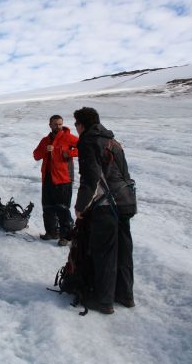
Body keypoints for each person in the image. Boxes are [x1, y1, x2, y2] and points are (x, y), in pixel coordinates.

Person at [73, 107, 136, 314]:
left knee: (104, 253)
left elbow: (90, 178)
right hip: (125, 202)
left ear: (82, 124)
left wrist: (80, 207)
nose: (76, 128)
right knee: (124, 250)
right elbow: (124, 173)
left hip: (106, 205)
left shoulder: (88, 141)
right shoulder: (112, 141)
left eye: (76, 124)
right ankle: (125, 295)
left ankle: (104, 300)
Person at [33, 115, 79, 246]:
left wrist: (67, 153)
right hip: (47, 179)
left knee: (63, 208)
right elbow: (36, 155)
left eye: (60, 124)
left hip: (63, 178)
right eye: (55, 124)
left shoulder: (67, 137)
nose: (58, 126)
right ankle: (51, 232)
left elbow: (82, 147)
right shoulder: (45, 140)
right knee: (48, 207)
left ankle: (66, 236)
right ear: (50, 125)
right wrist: (44, 150)